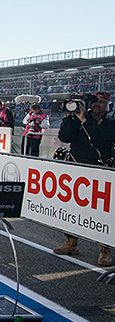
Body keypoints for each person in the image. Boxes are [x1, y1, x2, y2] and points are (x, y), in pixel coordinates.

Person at [54, 92, 114, 266]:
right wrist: (69, 117)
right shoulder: (78, 119)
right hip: (78, 167)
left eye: (101, 102)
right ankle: (71, 242)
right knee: (73, 207)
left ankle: (105, 250)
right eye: (95, 102)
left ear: (108, 105)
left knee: (103, 212)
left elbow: (104, 137)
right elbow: (64, 137)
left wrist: (85, 122)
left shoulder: (110, 122)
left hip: (101, 169)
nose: (97, 105)